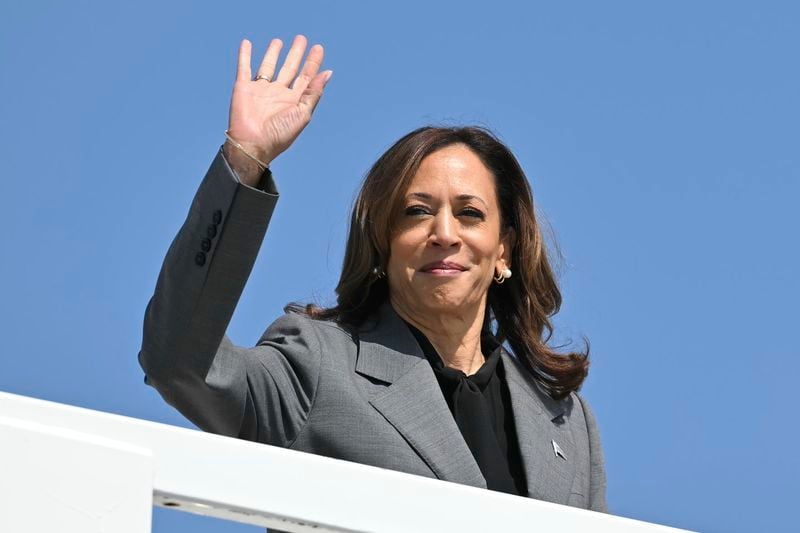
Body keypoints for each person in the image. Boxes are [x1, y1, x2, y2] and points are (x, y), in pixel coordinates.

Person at [139, 34, 607, 511]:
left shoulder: (566, 420)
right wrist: (245, 159)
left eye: (469, 213)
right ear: (383, 244)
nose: (444, 233)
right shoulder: (318, 365)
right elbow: (178, 364)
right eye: (417, 212)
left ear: (504, 249)